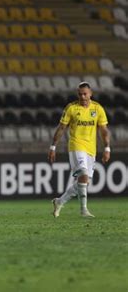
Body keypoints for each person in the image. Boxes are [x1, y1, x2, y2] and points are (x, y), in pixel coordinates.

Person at [48, 81, 111, 218]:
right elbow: (61, 128)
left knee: (84, 181)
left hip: (91, 149)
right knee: (83, 174)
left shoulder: (98, 109)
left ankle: (59, 201)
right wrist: (53, 147)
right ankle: (84, 210)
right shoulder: (71, 108)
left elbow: (104, 130)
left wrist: (107, 148)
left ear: (90, 94)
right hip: (76, 146)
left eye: (85, 94)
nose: (82, 97)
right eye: (80, 94)